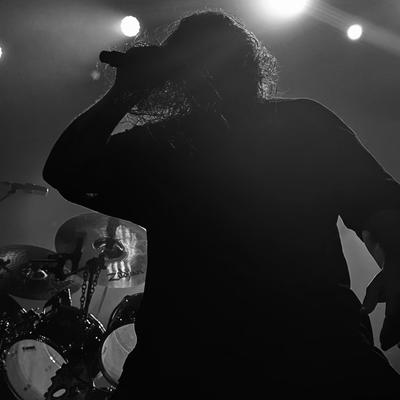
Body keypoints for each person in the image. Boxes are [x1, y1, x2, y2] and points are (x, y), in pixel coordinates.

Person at [43, 10, 400, 399]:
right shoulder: (165, 144)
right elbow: (66, 172)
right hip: (299, 354)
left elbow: (376, 201)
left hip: (202, 361)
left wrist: (127, 92)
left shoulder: (291, 124)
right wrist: (126, 91)